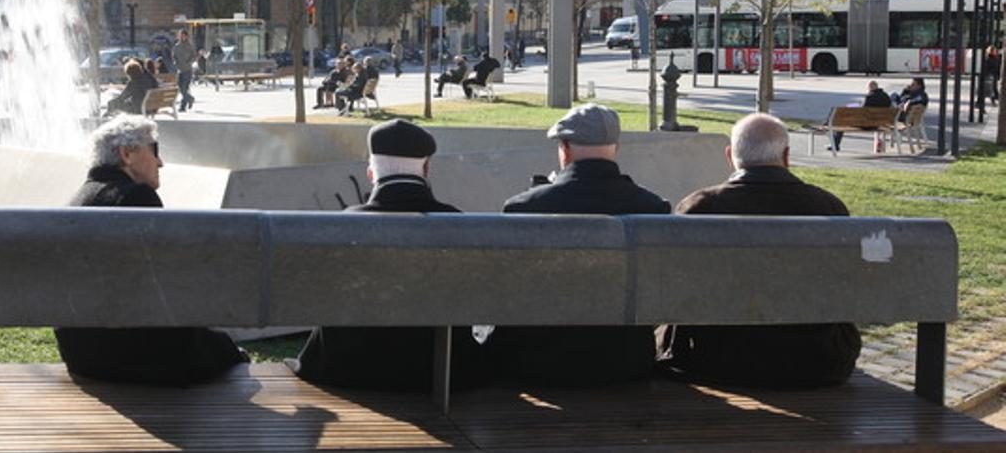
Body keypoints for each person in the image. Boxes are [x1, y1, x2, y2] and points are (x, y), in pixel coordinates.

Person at [660, 113, 860, 388]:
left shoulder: (699, 207)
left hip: (712, 359)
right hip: (818, 360)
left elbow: (671, 284)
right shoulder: (828, 207)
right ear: (786, 156)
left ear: (730, 156)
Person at [294, 119, 488, 391]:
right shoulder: (457, 223)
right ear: (426, 168)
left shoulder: (344, 226)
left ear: (371, 173)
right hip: (439, 375)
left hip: (350, 373)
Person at [54, 116, 248, 385]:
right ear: (127, 154)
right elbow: (167, 284)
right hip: (132, 357)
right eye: (154, 150)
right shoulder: (135, 197)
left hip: (83, 355)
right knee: (227, 352)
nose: (160, 162)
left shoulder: (80, 198)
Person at [490, 105, 670, 386]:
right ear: (616, 147)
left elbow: (505, 289)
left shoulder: (524, 207)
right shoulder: (653, 207)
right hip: (626, 364)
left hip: (535, 363)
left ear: (564, 149)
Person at [830, 80, 892, 152]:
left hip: (866, 125)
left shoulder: (869, 97)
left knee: (841, 122)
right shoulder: (886, 97)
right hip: (879, 124)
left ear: (870, 88)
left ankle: (835, 145)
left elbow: (862, 111)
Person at [172, 29, 196, 112]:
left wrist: (189, 61)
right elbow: (174, 56)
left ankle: (183, 106)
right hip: (180, 70)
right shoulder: (176, 46)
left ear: (186, 36)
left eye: (182, 35)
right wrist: (175, 62)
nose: (181, 37)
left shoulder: (189, 46)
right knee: (180, 88)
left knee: (184, 88)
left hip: (187, 70)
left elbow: (194, 56)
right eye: (180, 35)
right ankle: (190, 99)